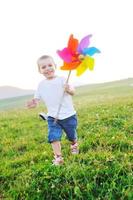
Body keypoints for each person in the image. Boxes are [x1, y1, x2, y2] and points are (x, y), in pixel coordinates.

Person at [27, 55, 78, 165]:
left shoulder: (62, 80)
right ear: (39, 70)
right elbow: (37, 98)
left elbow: (73, 91)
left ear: (55, 66)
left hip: (69, 115)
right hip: (52, 117)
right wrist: (34, 102)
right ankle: (58, 157)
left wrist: (69, 89)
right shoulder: (41, 85)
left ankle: (74, 144)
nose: (47, 68)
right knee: (53, 136)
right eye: (43, 67)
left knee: (71, 135)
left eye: (50, 65)